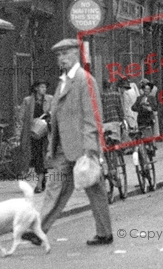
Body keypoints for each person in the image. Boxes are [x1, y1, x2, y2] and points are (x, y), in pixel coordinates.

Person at [22, 39, 113, 246]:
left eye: (65, 54)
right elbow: (57, 117)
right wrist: (51, 146)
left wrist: (92, 149)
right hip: (62, 148)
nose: (61, 59)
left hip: (82, 147)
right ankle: (39, 230)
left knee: (95, 190)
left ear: (76, 55)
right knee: (55, 188)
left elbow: (92, 117)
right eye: (58, 56)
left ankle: (105, 232)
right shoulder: (63, 81)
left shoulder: (85, 80)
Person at [19, 81, 52, 193]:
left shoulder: (50, 99)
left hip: (46, 134)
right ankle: (41, 180)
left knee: (43, 157)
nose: (44, 89)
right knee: (36, 157)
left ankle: (39, 183)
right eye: (42, 87)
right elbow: (21, 117)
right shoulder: (27, 101)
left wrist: (50, 116)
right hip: (32, 133)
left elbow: (56, 113)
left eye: (45, 87)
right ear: (36, 88)